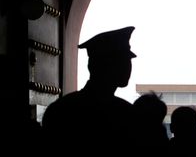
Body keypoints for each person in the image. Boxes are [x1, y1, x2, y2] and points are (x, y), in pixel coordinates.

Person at [41, 26, 137, 155]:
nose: (128, 68)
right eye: (122, 61)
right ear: (99, 65)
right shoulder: (127, 113)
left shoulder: (61, 108)